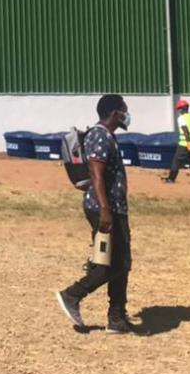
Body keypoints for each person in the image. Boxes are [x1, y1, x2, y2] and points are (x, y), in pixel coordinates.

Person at [56, 94, 136, 335]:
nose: (126, 115)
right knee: (115, 263)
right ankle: (72, 294)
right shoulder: (99, 135)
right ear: (115, 114)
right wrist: (105, 210)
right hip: (105, 208)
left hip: (114, 208)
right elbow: (97, 174)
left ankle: (117, 317)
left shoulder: (108, 136)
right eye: (124, 110)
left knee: (120, 262)